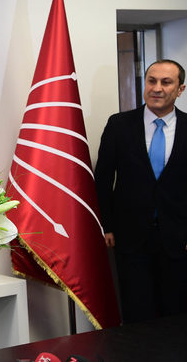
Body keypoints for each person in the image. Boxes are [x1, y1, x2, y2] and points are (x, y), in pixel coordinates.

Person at [95, 59, 187, 324]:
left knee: (176, 316)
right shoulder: (119, 125)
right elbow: (103, 179)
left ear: (180, 89)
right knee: (137, 316)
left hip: (179, 240)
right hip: (130, 238)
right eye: (151, 81)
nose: (157, 88)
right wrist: (106, 225)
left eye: (166, 82)